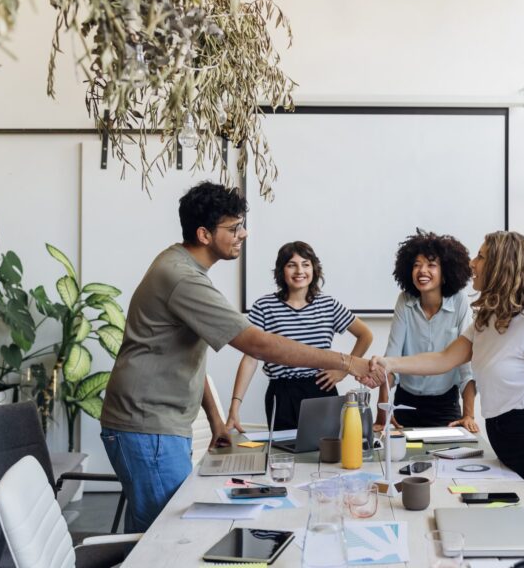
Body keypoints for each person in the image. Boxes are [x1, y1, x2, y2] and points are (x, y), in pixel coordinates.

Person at [99, 182, 381, 533]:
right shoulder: (183, 278)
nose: (243, 234)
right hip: (147, 425)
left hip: (155, 424)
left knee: (153, 533)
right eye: (233, 228)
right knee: (167, 539)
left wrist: (216, 419)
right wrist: (347, 362)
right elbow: (258, 345)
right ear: (204, 234)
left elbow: (185, 357)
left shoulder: (183, 268)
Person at [371, 231, 524, 520]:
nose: (472, 263)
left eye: (481, 256)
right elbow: (443, 359)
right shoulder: (486, 322)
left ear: (501, 265)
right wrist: (388, 364)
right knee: (515, 526)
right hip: (507, 437)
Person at [225, 241, 373, 431]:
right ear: (281, 270)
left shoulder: (328, 304)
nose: (299, 271)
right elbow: (250, 358)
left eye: (305, 264)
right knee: (285, 453)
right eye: (291, 265)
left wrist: (343, 370)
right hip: (282, 392)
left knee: (327, 452)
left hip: (320, 389)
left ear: (314, 268)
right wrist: (235, 406)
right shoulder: (264, 306)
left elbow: (365, 335)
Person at [373, 230, 478, 432]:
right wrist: (382, 415)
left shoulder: (460, 301)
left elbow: (466, 366)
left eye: (431, 265)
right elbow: (391, 360)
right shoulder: (405, 300)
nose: (422, 271)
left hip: (445, 403)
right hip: (406, 401)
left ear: (446, 271)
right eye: (416, 265)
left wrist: (468, 415)